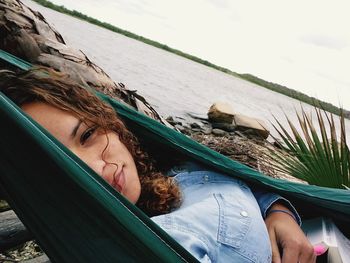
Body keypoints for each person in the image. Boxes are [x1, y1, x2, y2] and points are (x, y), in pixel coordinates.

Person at [0, 68, 316, 263]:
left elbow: (237, 181)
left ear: (110, 123)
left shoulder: (168, 168)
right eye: (63, 166)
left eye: (87, 134)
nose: (97, 169)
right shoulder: (164, 241)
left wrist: (279, 212)